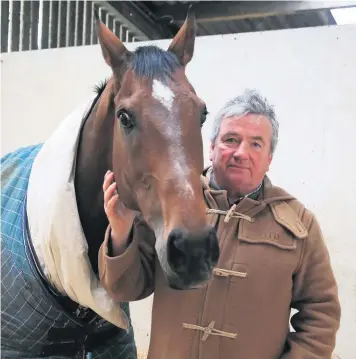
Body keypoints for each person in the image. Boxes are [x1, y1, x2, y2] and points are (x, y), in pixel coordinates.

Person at [98, 89, 341, 359]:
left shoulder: (299, 226)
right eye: (231, 139)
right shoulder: (166, 206)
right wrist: (121, 232)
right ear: (211, 147)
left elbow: (321, 313)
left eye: (256, 144)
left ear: (269, 159)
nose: (241, 153)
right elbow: (127, 287)